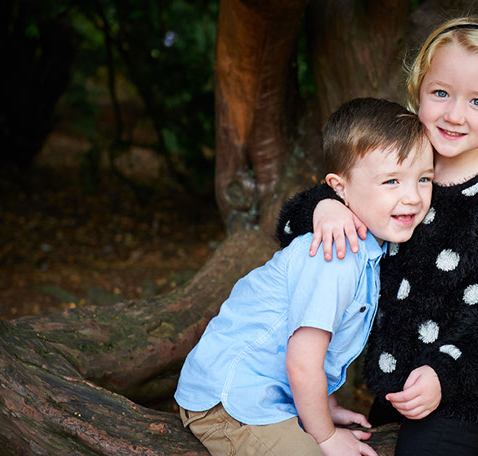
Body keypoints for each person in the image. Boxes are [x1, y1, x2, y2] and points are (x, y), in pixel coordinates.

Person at [276, 17, 478, 456]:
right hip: (395, 386)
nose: (454, 114)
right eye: (441, 93)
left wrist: (445, 374)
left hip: (463, 390)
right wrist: (323, 207)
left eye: (477, 101)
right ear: (419, 89)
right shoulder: (395, 164)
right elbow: (291, 227)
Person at [175, 97, 434, 456]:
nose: (413, 197)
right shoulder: (337, 258)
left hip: (271, 395)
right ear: (339, 188)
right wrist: (326, 437)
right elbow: (302, 362)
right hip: (231, 401)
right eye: (391, 181)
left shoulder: (369, 250)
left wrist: (325, 407)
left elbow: (318, 346)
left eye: (424, 179)